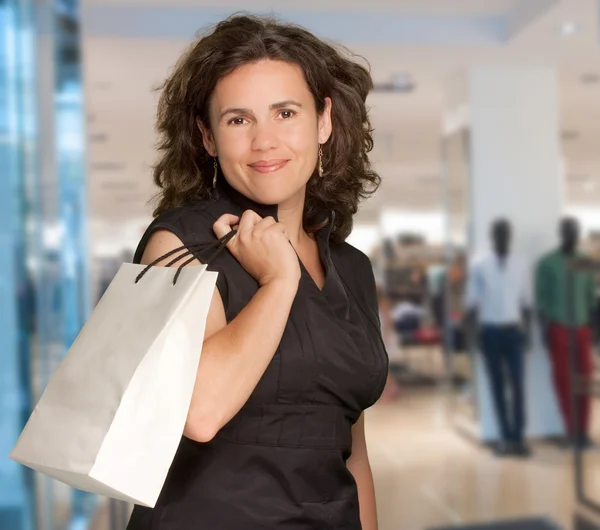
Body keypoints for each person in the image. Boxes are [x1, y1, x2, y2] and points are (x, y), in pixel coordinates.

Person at [126, 14, 389, 530]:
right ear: (207, 137)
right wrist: (278, 281)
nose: (264, 141)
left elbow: (352, 451)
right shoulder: (177, 244)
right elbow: (200, 411)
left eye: (285, 113)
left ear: (324, 121)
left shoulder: (352, 267)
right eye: (238, 120)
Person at [465, 219, 532, 457]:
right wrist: (474, 338)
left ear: (510, 236)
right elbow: (472, 303)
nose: (502, 237)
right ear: (493, 236)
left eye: (506, 233)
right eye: (499, 233)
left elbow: (526, 302)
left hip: (514, 332)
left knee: (518, 385)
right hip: (490, 332)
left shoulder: (520, 263)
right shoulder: (480, 264)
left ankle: (518, 438)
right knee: (497, 386)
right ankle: (504, 438)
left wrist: (529, 334)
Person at [536, 217, 597, 449]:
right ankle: (570, 431)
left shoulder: (585, 261)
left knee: (585, 379)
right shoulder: (547, 263)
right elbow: (541, 300)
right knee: (563, 379)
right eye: (567, 232)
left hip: (582, 328)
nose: (572, 236)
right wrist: (544, 332)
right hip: (558, 328)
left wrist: (594, 332)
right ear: (560, 233)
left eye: (575, 231)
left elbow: (591, 298)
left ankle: (583, 431)